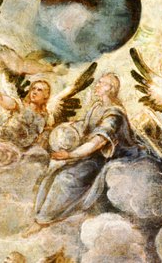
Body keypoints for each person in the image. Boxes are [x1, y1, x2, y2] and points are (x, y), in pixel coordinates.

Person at [34, 73, 152, 224]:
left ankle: (46, 218)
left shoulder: (114, 114)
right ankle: (40, 214)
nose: (97, 85)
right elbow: (86, 126)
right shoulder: (97, 106)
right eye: (98, 82)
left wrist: (70, 155)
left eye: (102, 83)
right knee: (56, 170)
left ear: (110, 88)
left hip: (112, 159)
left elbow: (98, 142)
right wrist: (70, 128)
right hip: (94, 155)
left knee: (66, 178)